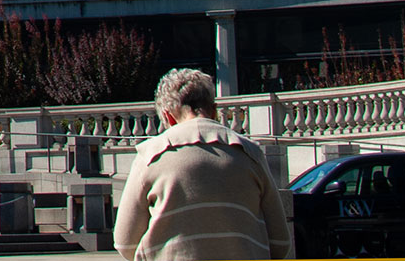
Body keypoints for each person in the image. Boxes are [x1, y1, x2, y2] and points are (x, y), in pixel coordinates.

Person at [113, 68, 290, 261]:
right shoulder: (250, 153)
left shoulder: (150, 156)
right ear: (213, 110)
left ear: (168, 117)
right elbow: (280, 243)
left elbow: (125, 243)